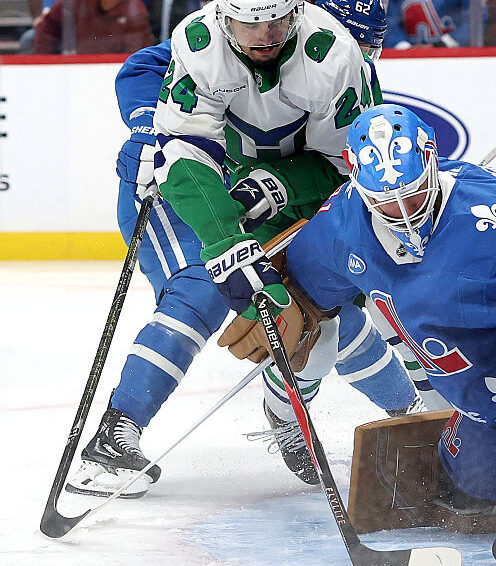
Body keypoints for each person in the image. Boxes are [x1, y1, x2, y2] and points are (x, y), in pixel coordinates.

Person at [66, 0, 413, 499]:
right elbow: (144, 69)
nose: (362, 55)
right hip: (178, 187)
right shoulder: (224, 35)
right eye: (355, 39)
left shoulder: (337, 62)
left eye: (369, 46)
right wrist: (147, 126)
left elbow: (339, 169)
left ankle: (397, 414)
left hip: (264, 193)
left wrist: (279, 184)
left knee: (314, 307)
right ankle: (114, 437)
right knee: (202, 289)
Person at [263, 103, 496, 506]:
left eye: (413, 193)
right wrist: (275, 299)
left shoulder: (494, 217)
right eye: (386, 201)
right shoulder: (341, 225)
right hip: (476, 404)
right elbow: (303, 286)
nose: (403, 213)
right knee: (466, 489)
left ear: (431, 160)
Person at [32, 0, 154, 54]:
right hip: (75, 71)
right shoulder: (75, 3)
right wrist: (49, 65)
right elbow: (46, 31)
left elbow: (138, 57)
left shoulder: (135, 11)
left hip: (114, 75)